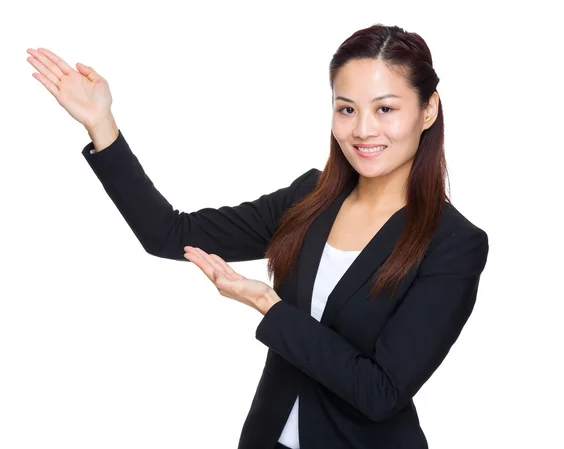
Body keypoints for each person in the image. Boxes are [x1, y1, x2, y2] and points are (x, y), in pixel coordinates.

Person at [26, 23, 489, 449]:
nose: (363, 130)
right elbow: (169, 233)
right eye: (346, 109)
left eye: (385, 108)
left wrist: (268, 305)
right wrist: (102, 126)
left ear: (428, 110)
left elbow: (379, 392)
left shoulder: (453, 243)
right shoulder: (310, 198)